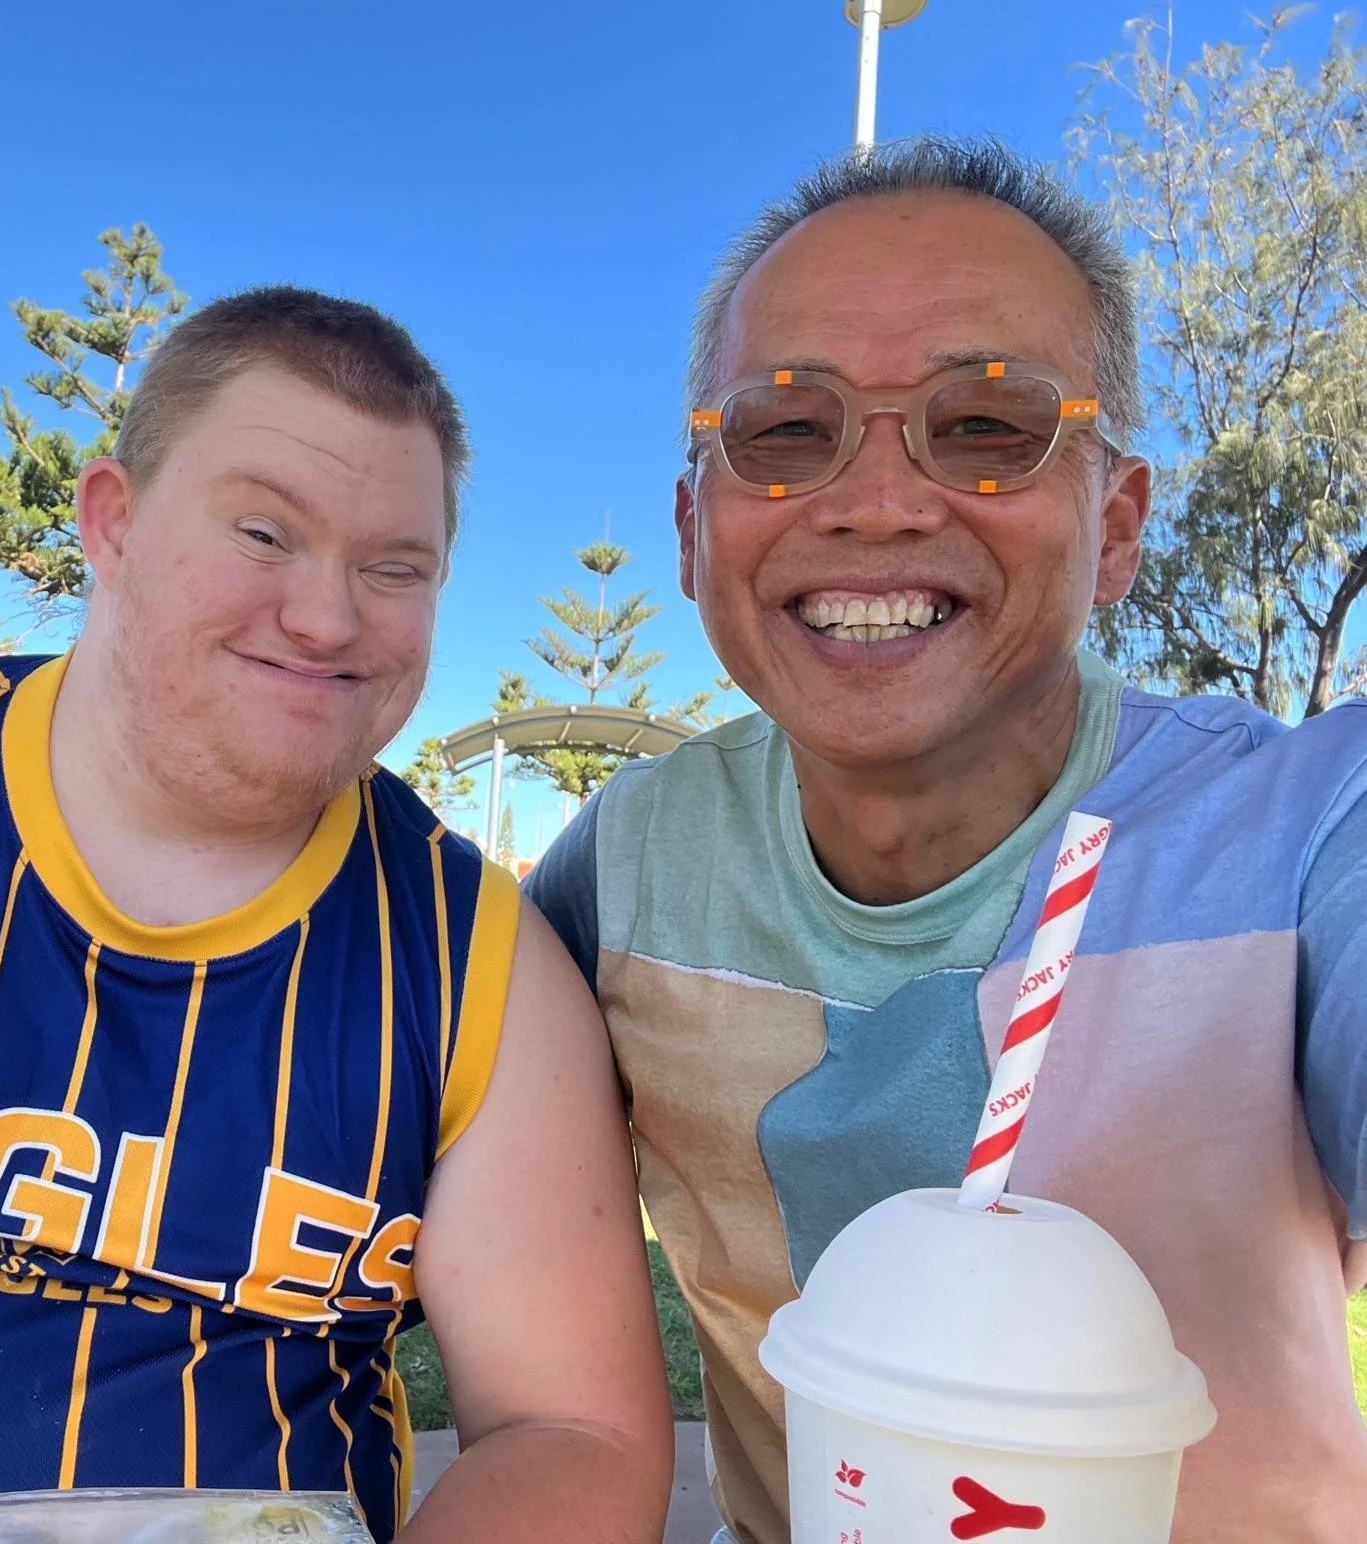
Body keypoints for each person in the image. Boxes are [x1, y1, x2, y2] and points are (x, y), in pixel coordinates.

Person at [525, 138, 1367, 1544]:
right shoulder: (624, 868)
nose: (872, 500)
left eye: (983, 425)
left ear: (1114, 526)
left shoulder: (1302, 831)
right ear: (690, 530)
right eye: (784, 430)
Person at [0, 287, 672, 1544]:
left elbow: (573, 1430)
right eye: (264, 532)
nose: (326, 616)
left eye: (394, 568)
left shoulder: (475, 962)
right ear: (112, 521)